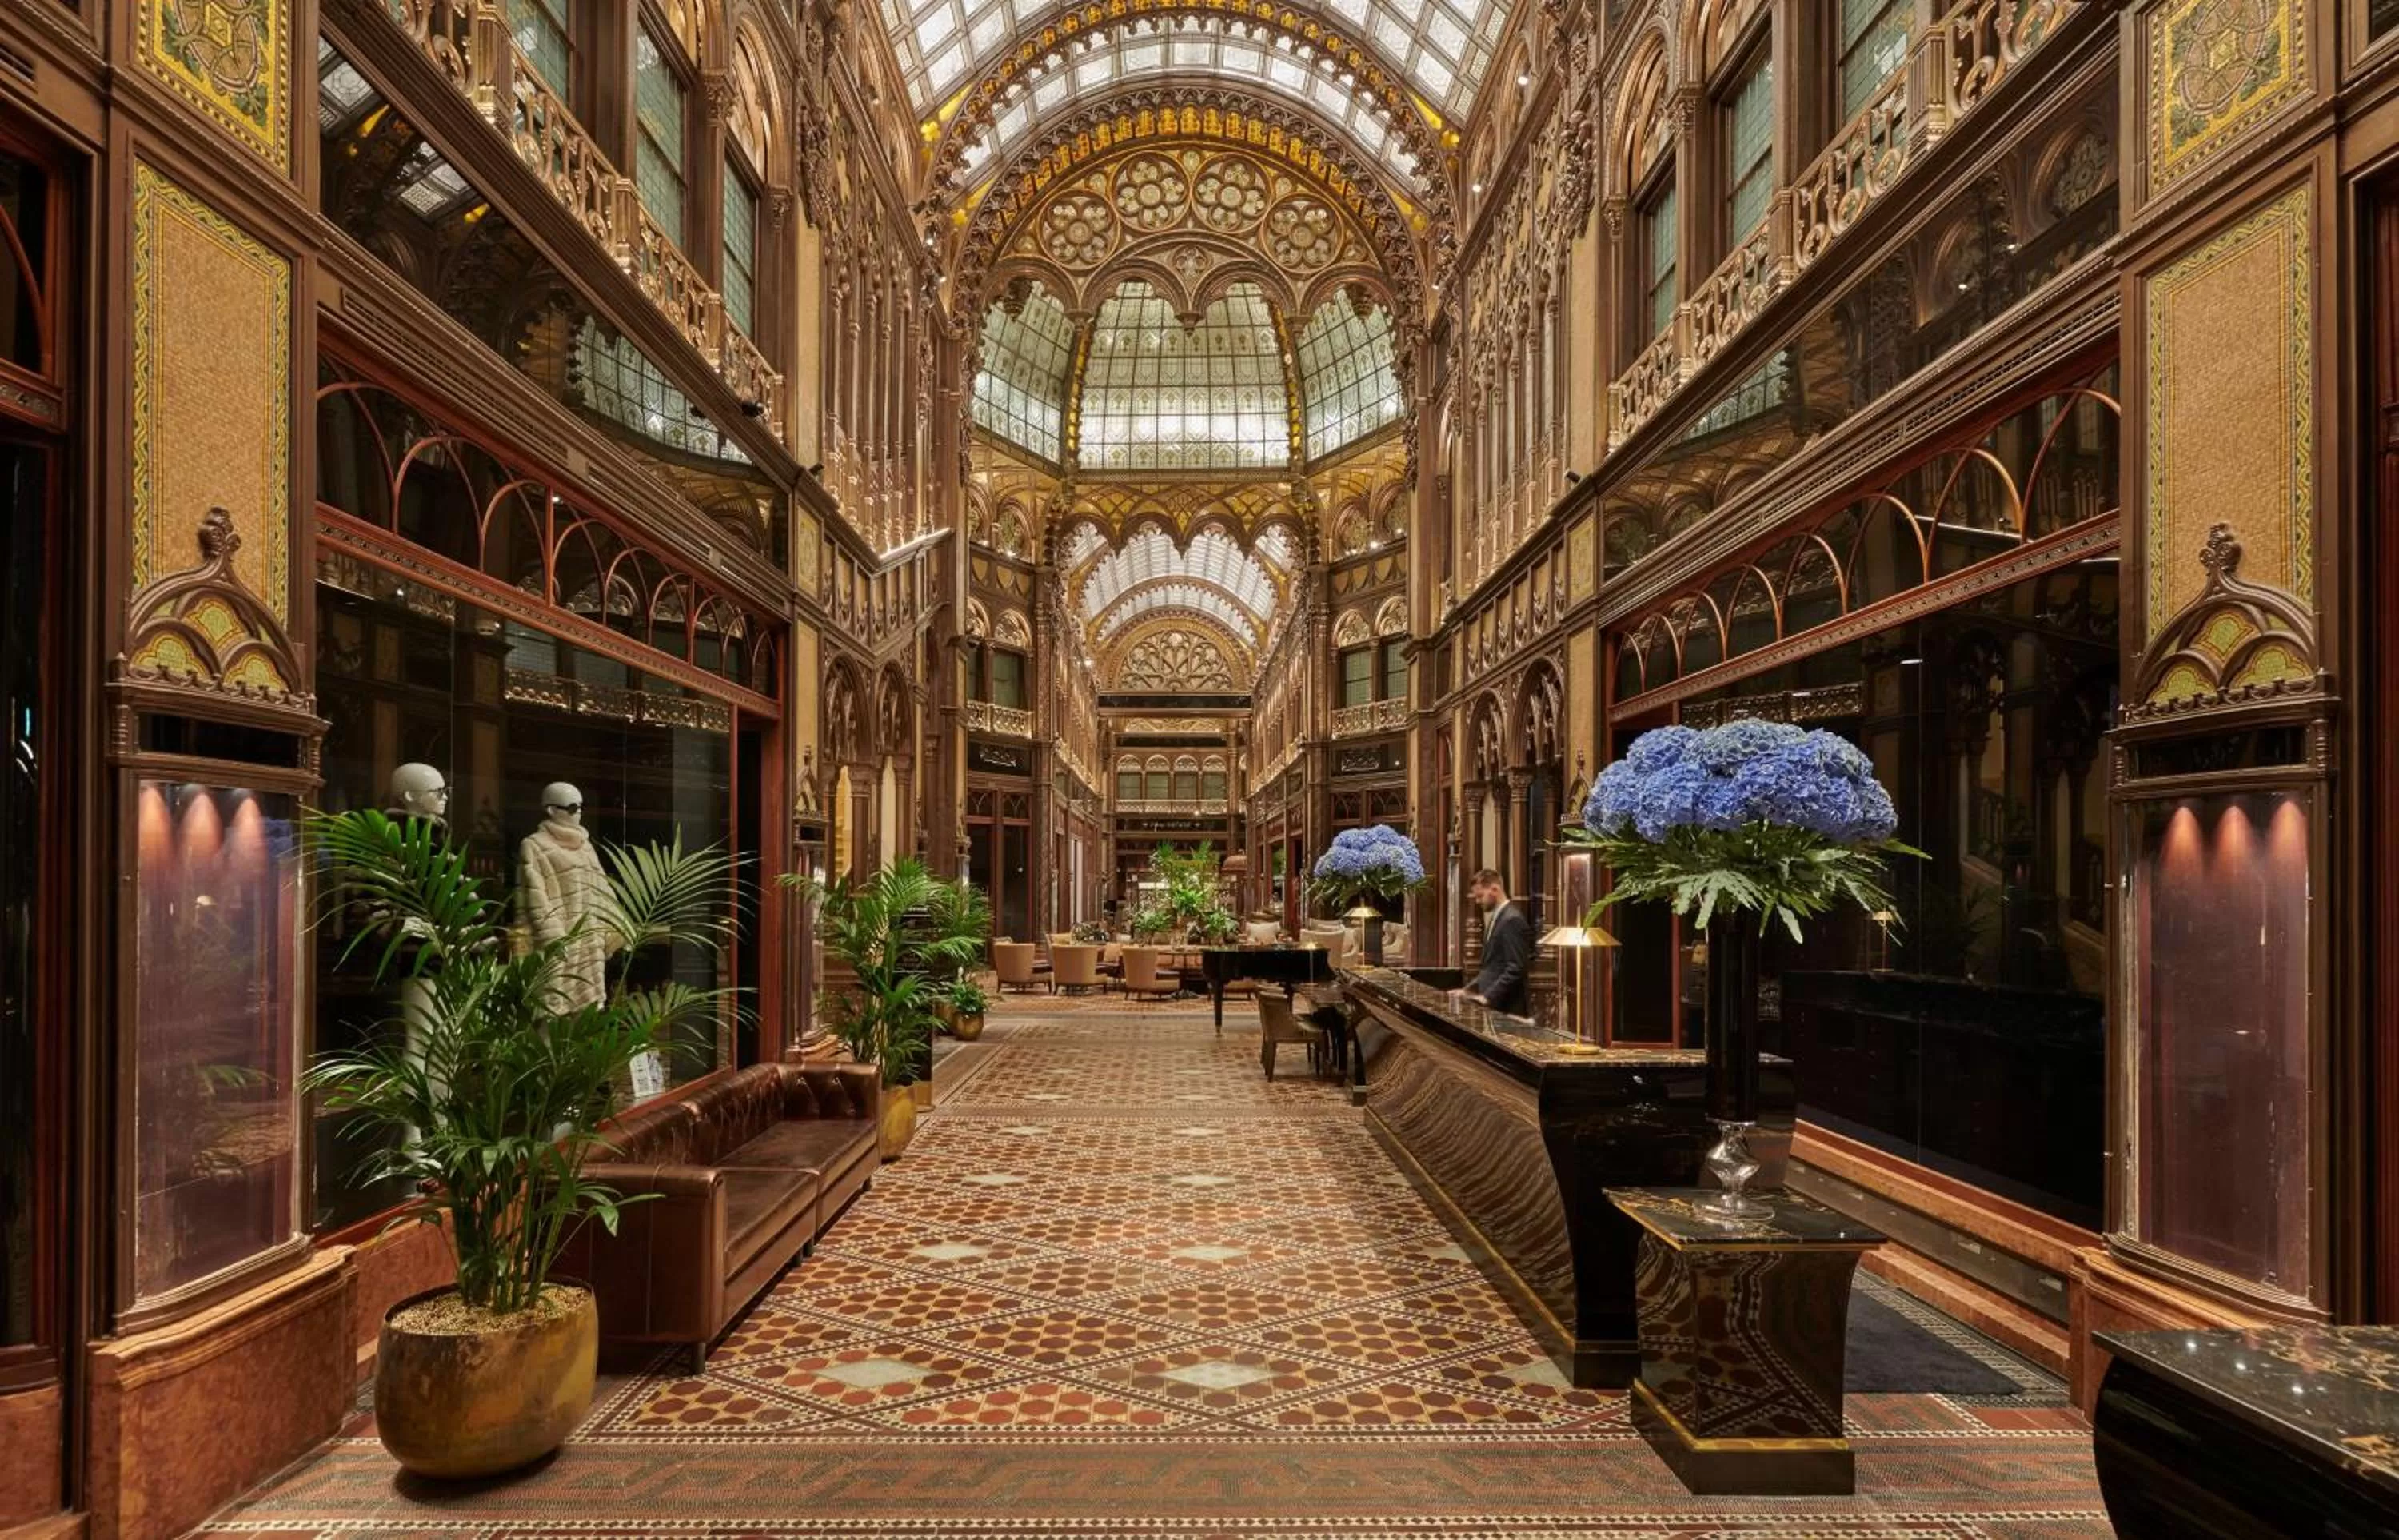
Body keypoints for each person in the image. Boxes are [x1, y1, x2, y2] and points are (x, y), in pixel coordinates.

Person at [1455, 868, 1532, 1017]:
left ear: (1495, 889)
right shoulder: (1498, 918)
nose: (1477, 901)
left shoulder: (1512, 920)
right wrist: (1467, 991)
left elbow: (1516, 968)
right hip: (1496, 1008)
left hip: (1508, 1009)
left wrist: (1487, 997)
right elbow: (1492, 968)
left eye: (1480, 896)